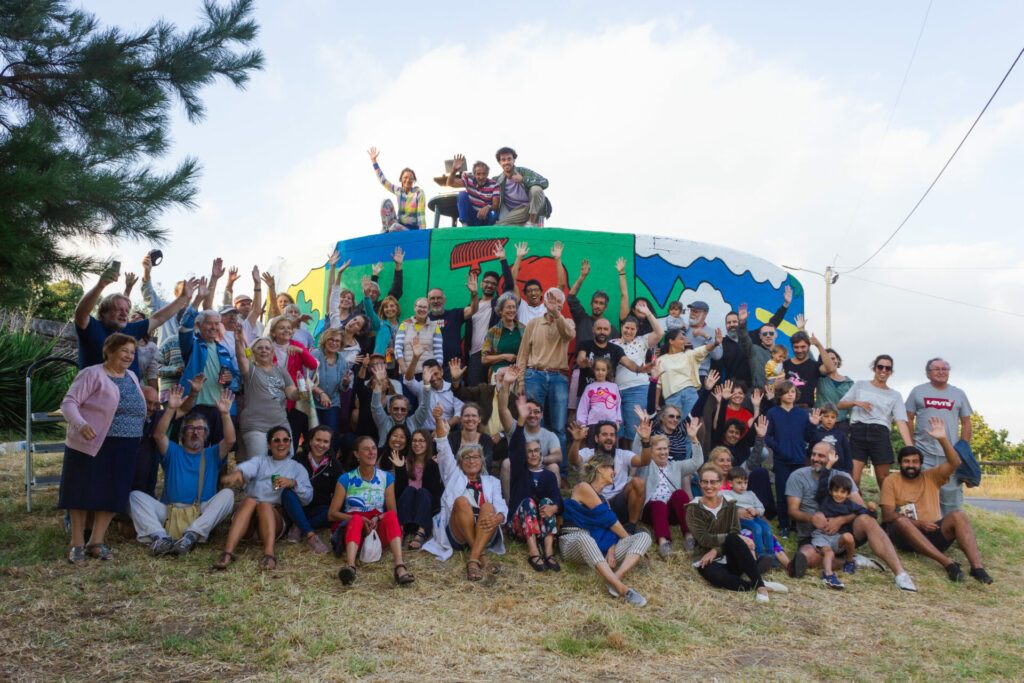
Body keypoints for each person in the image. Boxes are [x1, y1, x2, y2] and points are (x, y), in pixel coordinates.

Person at [60, 333, 147, 565]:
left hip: (126, 444)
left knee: (113, 491)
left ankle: (96, 541)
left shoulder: (131, 376)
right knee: (80, 492)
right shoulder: (91, 373)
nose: (129, 356)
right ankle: (77, 543)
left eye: (132, 352)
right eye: (124, 351)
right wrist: (80, 424)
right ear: (109, 351)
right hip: (92, 443)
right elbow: (69, 403)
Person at [786, 440, 918, 592]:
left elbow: (861, 509)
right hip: (814, 537)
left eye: (821, 456)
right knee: (805, 557)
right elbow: (792, 511)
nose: (815, 458)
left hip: (844, 534)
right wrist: (811, 518)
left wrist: (841, 520)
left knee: (868, 520)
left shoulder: (842, 477)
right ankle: (854, 562)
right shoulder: (798, 476)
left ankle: (900, 574)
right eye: (814, 454)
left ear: (832, 457)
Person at [129, 385, 237, 556]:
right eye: (190, 428)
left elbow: (230, 440)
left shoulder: (211, 453)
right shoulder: (172, 451)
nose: (195, 432)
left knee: (228, 496)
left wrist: (224, 414)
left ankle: (191, 536)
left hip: (200, 512)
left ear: (205, 434)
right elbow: (158, 435)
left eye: (200, 429)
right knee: (134, 496)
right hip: (169, 513)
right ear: (182, 434)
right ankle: (160, 537)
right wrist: (171, 408)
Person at [881, 419, 992, 584]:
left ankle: (977, 568)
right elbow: (887, 515)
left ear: (921, 464)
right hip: (908, 536)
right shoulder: (891, 480)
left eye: (915, 462)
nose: (911, 465)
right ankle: (948, 563)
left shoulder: (932, 475)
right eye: (906, 461)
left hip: (934, 532)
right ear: (900, 463)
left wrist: (942, 439)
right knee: (902, 521)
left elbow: (955, 462)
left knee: (958, 515)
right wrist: (919, 524)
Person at [421, 416, 509, 581]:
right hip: (459, 533)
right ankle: (480, 555)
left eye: (475, 457)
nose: (471, 461)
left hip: (486, 530)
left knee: (489, 507)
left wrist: (498, 518)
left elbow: (501, 505)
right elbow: (443, 448)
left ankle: (473, 559)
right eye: (466, 457)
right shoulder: (453, 476)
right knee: (461, 501)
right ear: (460, 463)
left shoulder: (493, 482)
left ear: (481, 462)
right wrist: (438, 420)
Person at [214, 426, 314, 570]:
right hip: (247, 520)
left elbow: (308, 498)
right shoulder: (261, 461)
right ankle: (227, 553)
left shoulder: (296, 468)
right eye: (276, 440)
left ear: (290, 443)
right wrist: (239, 472)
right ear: (269, 444)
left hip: (273, 519)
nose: (281, 444)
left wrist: (292, 483)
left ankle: (269, 554)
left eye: (285, 440)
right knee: (249, 501)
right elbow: (248, 467)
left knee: (265, 505)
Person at [559, 454, 652, 606]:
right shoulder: (583, 487)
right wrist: (627, 539)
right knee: (585, 539)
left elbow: (609, 530)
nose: (614, 472)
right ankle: (622, 589)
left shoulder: (604, 501)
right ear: (601, 469)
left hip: (598, 548)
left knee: (644, 537)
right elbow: (610, 521)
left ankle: (616, 578)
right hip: (573, 541)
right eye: (611, 468)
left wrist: (631, 544)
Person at [686, 464, 787, 602]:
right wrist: (720, 546)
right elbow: (704, 539)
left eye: (713, 482)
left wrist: (716, 549)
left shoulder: (729, 503)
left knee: (734, 537)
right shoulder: (693, 508)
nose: (709, 486)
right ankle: (758, 585)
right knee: (718, 578)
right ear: (700, 483)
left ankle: (760, 586)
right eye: (705, 482)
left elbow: (734, 531)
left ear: (720, 483)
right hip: (706, 558)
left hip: (729, 554)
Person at [74, 270, 197, 377]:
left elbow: (158, 318)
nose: (124, 313)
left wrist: (183, 298)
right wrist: (100, 285)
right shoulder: (92, 327)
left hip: (130, 400)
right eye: (118, 309)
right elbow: (81, 313)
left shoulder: (131, 330)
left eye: (127, 311)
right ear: (103, 312)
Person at [328, 435, 415, 586]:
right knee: (355, 518)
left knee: (391, 517)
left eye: (374, 448)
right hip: (353, 531)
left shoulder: (386, 477)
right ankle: (350, 566)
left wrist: (378, 518)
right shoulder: (346, 478)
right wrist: (359, 519)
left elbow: (392, 511)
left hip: (375, 531)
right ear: (356, 454)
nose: (371, 453)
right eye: (366, 449)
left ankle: (400, 566)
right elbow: (332, 514)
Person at [499, 389, 563, 572]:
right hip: (520, 523)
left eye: (537, 451)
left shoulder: (549, 439)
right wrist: (520, 418)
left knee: (549, 500)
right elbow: (504, 412)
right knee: (527, 501)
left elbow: (558, 498)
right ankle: (533, 551)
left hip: (541, 518)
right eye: (530, 452)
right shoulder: (520, 468)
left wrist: (554, 507)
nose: (533, 454)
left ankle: (549, 552)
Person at [905, 358, 974, 516]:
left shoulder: (958, 394)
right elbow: (908, 418)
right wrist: (910, 445)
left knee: (951, 499)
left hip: (950, 455)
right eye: (936, 369)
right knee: (918, 494)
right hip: (923, 454)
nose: (941, 372)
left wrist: (962, 449)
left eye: (945, 369)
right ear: (928, 373)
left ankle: (951, 532)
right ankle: (915, 529)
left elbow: (966, 423)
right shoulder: (918, 391)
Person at [516, 286, 576, 458]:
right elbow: (523, 355)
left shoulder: (567, 322)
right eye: (551, 299)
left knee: (558, 425)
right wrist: (520, 381)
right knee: (534, 423)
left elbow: (568, 335)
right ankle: (534, 464)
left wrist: (556, 315)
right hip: (534, 375)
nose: (554, 303)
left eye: (558, 301)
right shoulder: (533, 324)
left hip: (559, 377)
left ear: (562, 306)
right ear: (545, 301)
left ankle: (560, 469)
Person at [838, 354, 912, 490]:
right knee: (853, 478)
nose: (883, 370)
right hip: (858, 431)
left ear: (891, 372)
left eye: (887, 368)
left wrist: (910, 446)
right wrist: (856, 403)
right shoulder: (860, 385)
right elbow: (840, 404)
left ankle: (889, 509)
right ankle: (858, 509)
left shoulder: (895, 395)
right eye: (880, 367)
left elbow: (901, 420)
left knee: (883, 479)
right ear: (874, 368)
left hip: (880, 434)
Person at [637, 418, 705, 558]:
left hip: (671, 511)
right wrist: (642, 437)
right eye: (659, 449)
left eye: (665, 448)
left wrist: (693, 439)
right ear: (651, 451)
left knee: (680, 494)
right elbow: (636, 451)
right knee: (659, 505)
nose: (663, 452)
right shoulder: (645, 464)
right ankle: (664, 544)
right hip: (652, 510)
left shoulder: (676, 465)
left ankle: (689, 537)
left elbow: (697, 462)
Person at [567, 420, 647, 533]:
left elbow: (644, 461)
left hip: (618, 503)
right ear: (596, 438)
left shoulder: (622, 454)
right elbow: (573, 460)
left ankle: (631, 527)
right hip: (593, 504)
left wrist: (645, 440)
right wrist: (577, 441)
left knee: (638, 483)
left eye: (612, 435)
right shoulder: (587, 453)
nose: (609, 438)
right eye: (604, 434)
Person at [765, 380, 821, 536]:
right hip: (781, 460)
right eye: (788, 391)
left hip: (799, 459)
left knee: (799, 493)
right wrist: (778, 448)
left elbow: (810, 437)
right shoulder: (773, 413)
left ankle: (797, 524)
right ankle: (784, 525)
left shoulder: (803, 414)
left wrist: (813, 425)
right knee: (782, 492)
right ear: (780, 394)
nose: (791, 394)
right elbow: (768, 436)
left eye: (793, 392)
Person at [178, 308, 240, 445]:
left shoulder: (225, 351)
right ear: (198, 325)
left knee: (222, 453)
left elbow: (237, 383)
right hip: (197, 407)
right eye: (209, 323)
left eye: (217, 323)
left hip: (222, 409)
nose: (214, 327)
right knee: (196, 450)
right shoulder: (192, 345)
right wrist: (198, 299)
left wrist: (230, 381)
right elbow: (184, 328)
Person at [234, 334, 300, 461]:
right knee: (259, 466)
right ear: (253, 352)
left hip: (280, 423)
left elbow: (292, 394)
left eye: (267, 348)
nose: (264, 350)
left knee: (285, 463)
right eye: (259, 348)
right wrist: (238, 341)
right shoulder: (251, 369)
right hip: (255, 426)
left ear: (272, 352)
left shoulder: (281, 371)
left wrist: (303, 392)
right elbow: (241, 358)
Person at [612, 287, 663, 444]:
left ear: (636, 330)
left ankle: (633, 464)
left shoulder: (641, 341)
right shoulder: (611, 343)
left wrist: (647, 312)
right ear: (621, 328)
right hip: (615, 391)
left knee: (634, 432)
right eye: (626, 328)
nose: (629, 331)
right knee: (616, 431)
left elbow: (660, 333)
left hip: (638, 389)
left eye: (632, 329)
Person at [283, 425, 341, 554]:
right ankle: (310, 534)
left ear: (330, 444)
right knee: (286, 493)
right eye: (318, 440)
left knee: (335, 511)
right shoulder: (298, 459)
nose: (321, 445)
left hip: (318, 509)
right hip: (297, 505)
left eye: (325, 442)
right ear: (310, 441)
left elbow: (339, 493)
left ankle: (300, 525)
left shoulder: (335, 465)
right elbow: (281, 483)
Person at [813, 460, 870, 590]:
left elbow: (863, 512)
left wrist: (871, 510)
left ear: (848, 494)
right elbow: (823, 481)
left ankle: (849, 562)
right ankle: (828, 575)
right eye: (836, 491)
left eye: (843, 492)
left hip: (837, 538)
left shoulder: (849, 505)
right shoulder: (825, 499)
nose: (838, 494)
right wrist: (829, 465)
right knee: (829, 553)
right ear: (830, 491)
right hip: (821, 536)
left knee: (849, 537)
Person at [465, 247, 515, 386]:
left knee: (495, 394)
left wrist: (503, 259)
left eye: (493, 284)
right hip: (475, 356)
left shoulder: (498, 304)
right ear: (481, 284)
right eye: (486, 282)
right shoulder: (471, 306)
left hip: (494, 356)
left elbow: (510, 285)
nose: (489, 285)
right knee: (475, 394)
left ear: (497, 287)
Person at [722, 467, 789, 572]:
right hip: (741, 520)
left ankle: (771, 557)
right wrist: (736, 510)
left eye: (745, 482)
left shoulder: (751, 494)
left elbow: (761, 508)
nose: (743, 486)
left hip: (754, 516)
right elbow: (721, 507)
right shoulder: (726, 494)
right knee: (756, 528)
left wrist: (756, 511)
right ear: (730, 483)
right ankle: (760, 556)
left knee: (767, 529)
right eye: (739, 483)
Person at [267, 315, 318, 446]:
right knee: (273, 434)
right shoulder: (266, 347)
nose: (286, 330)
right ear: (273, 332)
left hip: (294, 399)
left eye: (289, 328)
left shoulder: (297, 345)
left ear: (293, 332)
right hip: (272, 398)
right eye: (282, 328)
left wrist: (301, 351)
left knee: (292, 435)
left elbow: (313, 365)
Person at [389, 428, 443, 552]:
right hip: (407, 512)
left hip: (425, 512)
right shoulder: (405, 462)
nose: (417, 444)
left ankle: (421, 532)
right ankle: (400, 530)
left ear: (428, 443)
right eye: (414, 440)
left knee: (422, 492)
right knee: (409, 490)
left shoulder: (434, 462)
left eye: (421, 441)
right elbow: (400, 493)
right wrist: (400, 469)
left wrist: (431, 467)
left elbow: (434, 492)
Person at [654, 327, 721, 419]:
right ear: (671, 341)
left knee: (691, 424)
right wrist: (656, 404)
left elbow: (704, 349)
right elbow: (658, 385)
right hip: (672, 397)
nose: (684, 341)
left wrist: (715, 343)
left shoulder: (688, 355)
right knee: (672, 427)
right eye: (681, 339)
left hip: (690, 394)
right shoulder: (661, 360)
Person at [735, 288, 793, 389]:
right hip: (760, 394)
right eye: (765, 333)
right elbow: (744, 340)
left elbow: (791, 376)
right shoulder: (754, 350)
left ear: (776, 334)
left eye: (771, 333)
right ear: (760, 336)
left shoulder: (785, 356)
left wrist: (786, 304)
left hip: (779, 396)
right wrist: (743, 323)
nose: (768, 335)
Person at [369, 364, 433, 448]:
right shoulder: (383, 421)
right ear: (389, 409)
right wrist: (379, 383)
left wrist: (426, 384)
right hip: (385, 458)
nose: (399, 412)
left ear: (407, 411)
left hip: (407, 459)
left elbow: (425, 406)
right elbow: (375, 406)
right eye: (395, 409)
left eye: (403, 409)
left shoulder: (413, 422)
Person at [427, 273, 479, 371]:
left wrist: (474, 293)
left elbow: (473, 309)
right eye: (432, 298)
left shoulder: (455, 314)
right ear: (428, 301)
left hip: (453, 365)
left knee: (456, 387)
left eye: (439, 298)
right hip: (431, 367)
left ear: (445, 300)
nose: (436, 301)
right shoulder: (424, 319)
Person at [368, 146, 426, 231]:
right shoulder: (399, 191)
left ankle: (388, 231)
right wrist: (374, 162)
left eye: (411, 178)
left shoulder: (418, 193)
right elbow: (383, 181)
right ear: (401, 179)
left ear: (414, 180)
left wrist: (423, 234)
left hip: (412, 230)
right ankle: (385, 230)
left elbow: (421, 215)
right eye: (405, 177)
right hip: (399, 225)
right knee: (386, 203)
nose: (408, 180)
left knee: (395, 227)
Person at [565, 258, 619, 346]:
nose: (598, 306)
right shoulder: (582, 319)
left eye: (601, 304)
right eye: (596, 302)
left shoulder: (611, 329)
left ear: (605, 308)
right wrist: (582, 277)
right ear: (591, 304)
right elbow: (571, 298)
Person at [310, 328, 352, 439]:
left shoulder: (341, 360)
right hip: (313, 401)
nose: (334, 343)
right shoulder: (315, 354)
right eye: (331, 339)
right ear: (325, 340)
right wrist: (321, 393)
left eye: (337, 341)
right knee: (314, 433)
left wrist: (345, 383)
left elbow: (342, 389)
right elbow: (306, 380)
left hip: (332, 402)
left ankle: (330, 456)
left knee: (332, 433)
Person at [493, 146, 550, 226]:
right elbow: (483, 185)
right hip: (519, 212)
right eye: (503, 160)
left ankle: (532, 222)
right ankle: (523, 224)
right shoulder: (498, 180)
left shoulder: (523, 171)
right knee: (498, 226)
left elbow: (545, 182)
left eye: (509, 159)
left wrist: (523, 179)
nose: (506, 162)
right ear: (500, 162)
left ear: (514, 160)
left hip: (534, 207)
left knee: (536, 189)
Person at [403, 357, 464, 431]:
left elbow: (459, 414)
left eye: (436, 374)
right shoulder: (421, 386)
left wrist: (443, 428)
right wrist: (415, 357)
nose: (433, 378)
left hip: (447, 431)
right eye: (430, 375)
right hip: (425, 434)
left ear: (442, 372)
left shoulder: (453, 389)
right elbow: (408, 380)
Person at [782, 331, 834, 409]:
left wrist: (818, 345)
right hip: (786, 408)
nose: (799, 350)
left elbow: (830, 368)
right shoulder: (784, 365)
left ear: (809, 347)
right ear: (792, 347)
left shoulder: (815, 366)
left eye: (803, 347)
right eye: (796, 347)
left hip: (806, 410)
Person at [576, 358, 622, 442]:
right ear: (593, 370)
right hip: (593, 424)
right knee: (592, 450)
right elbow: (583, 407)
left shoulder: (614, 386)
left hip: (610, 423)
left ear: (607, 371)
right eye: (597, 369)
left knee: (609, 450)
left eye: (603, 370)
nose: (600, 372)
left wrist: (617, 421)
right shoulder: (589, 387)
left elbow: (618, 405)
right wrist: (583, 425)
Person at [445, 153, 499, 226]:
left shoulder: (494, 185)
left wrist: (488, 207)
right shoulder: (469, 179)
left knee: (494, 214)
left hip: (484, 217)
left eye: (484, 174)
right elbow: (450, 183)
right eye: (478, 174)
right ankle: (465, 225)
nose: (481, 177)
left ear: (487, 174)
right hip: (472, 215)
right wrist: (454, 170)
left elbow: (495, 205)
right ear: (474, 174)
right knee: (462, 194)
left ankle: (487, 231)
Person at [481, 292, 525, 381]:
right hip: (499, 373)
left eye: (514, 307)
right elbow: (484, 359)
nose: (512, 310)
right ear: (500, 310)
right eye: (508, 307)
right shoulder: (493, 332)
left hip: (520, 373)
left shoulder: (524, 329)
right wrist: (504, 356)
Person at [394, 298, 443, 377]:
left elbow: (438, 352)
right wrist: (403, 367)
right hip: (407, 371)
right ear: (414, 308)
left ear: (428, 309)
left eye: (425, 307)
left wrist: (437, 370)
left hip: (428, 373)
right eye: (419, 306)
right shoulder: (404, 325)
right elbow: (398, 348)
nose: (422, 309)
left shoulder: (435, 327)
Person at [221, 264, 264, 345]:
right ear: (235, 308)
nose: (246, 307)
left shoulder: (259, 325)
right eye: (242, 305)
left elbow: (256, 311)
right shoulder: (233, 322)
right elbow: (227, 302)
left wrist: (257, 284)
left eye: (248, 304)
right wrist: (229, 284)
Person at [683, 301, 723, 382]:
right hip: (680, 374)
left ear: (705, 314)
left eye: (695, 311)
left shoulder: (712, 332)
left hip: (699, 375)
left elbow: (717, 355)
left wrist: (706, 336)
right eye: (691, 310)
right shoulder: (683, 329)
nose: (692, 314)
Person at [815, 348, 854, 432]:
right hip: (822, 425)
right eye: (827, 359)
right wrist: (817, 345)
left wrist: (852, 426)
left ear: (838, 360)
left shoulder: (849, 383)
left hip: (842, 426)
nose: (831, 362)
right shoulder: (820, 379)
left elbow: (852, 407)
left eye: (833, 358)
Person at [807, 404, 852, 474]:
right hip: (820, 469)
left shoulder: (841, 434)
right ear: (821, 418)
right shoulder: (816, 433)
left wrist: (848, 470)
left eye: (832, 417)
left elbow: (847, 453)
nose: (829, 419)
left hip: (839, 470)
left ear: (836, 419)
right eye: (826, 416)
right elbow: (810, 450)